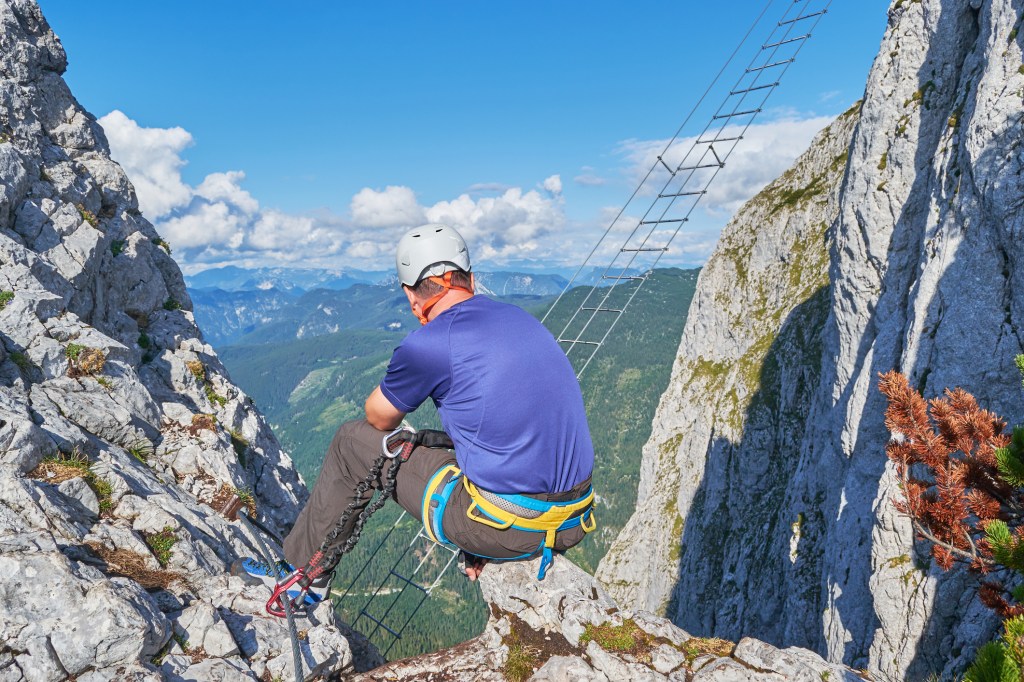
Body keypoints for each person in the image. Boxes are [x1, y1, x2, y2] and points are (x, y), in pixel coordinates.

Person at [234, 223, 595, 605]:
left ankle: (304, 578)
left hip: (507, 527)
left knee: (351, 443)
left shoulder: (431, 342)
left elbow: (378, 417)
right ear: (470, 279)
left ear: (412, 296)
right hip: (573, 521)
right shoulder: (521, 319)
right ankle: (488, 535)